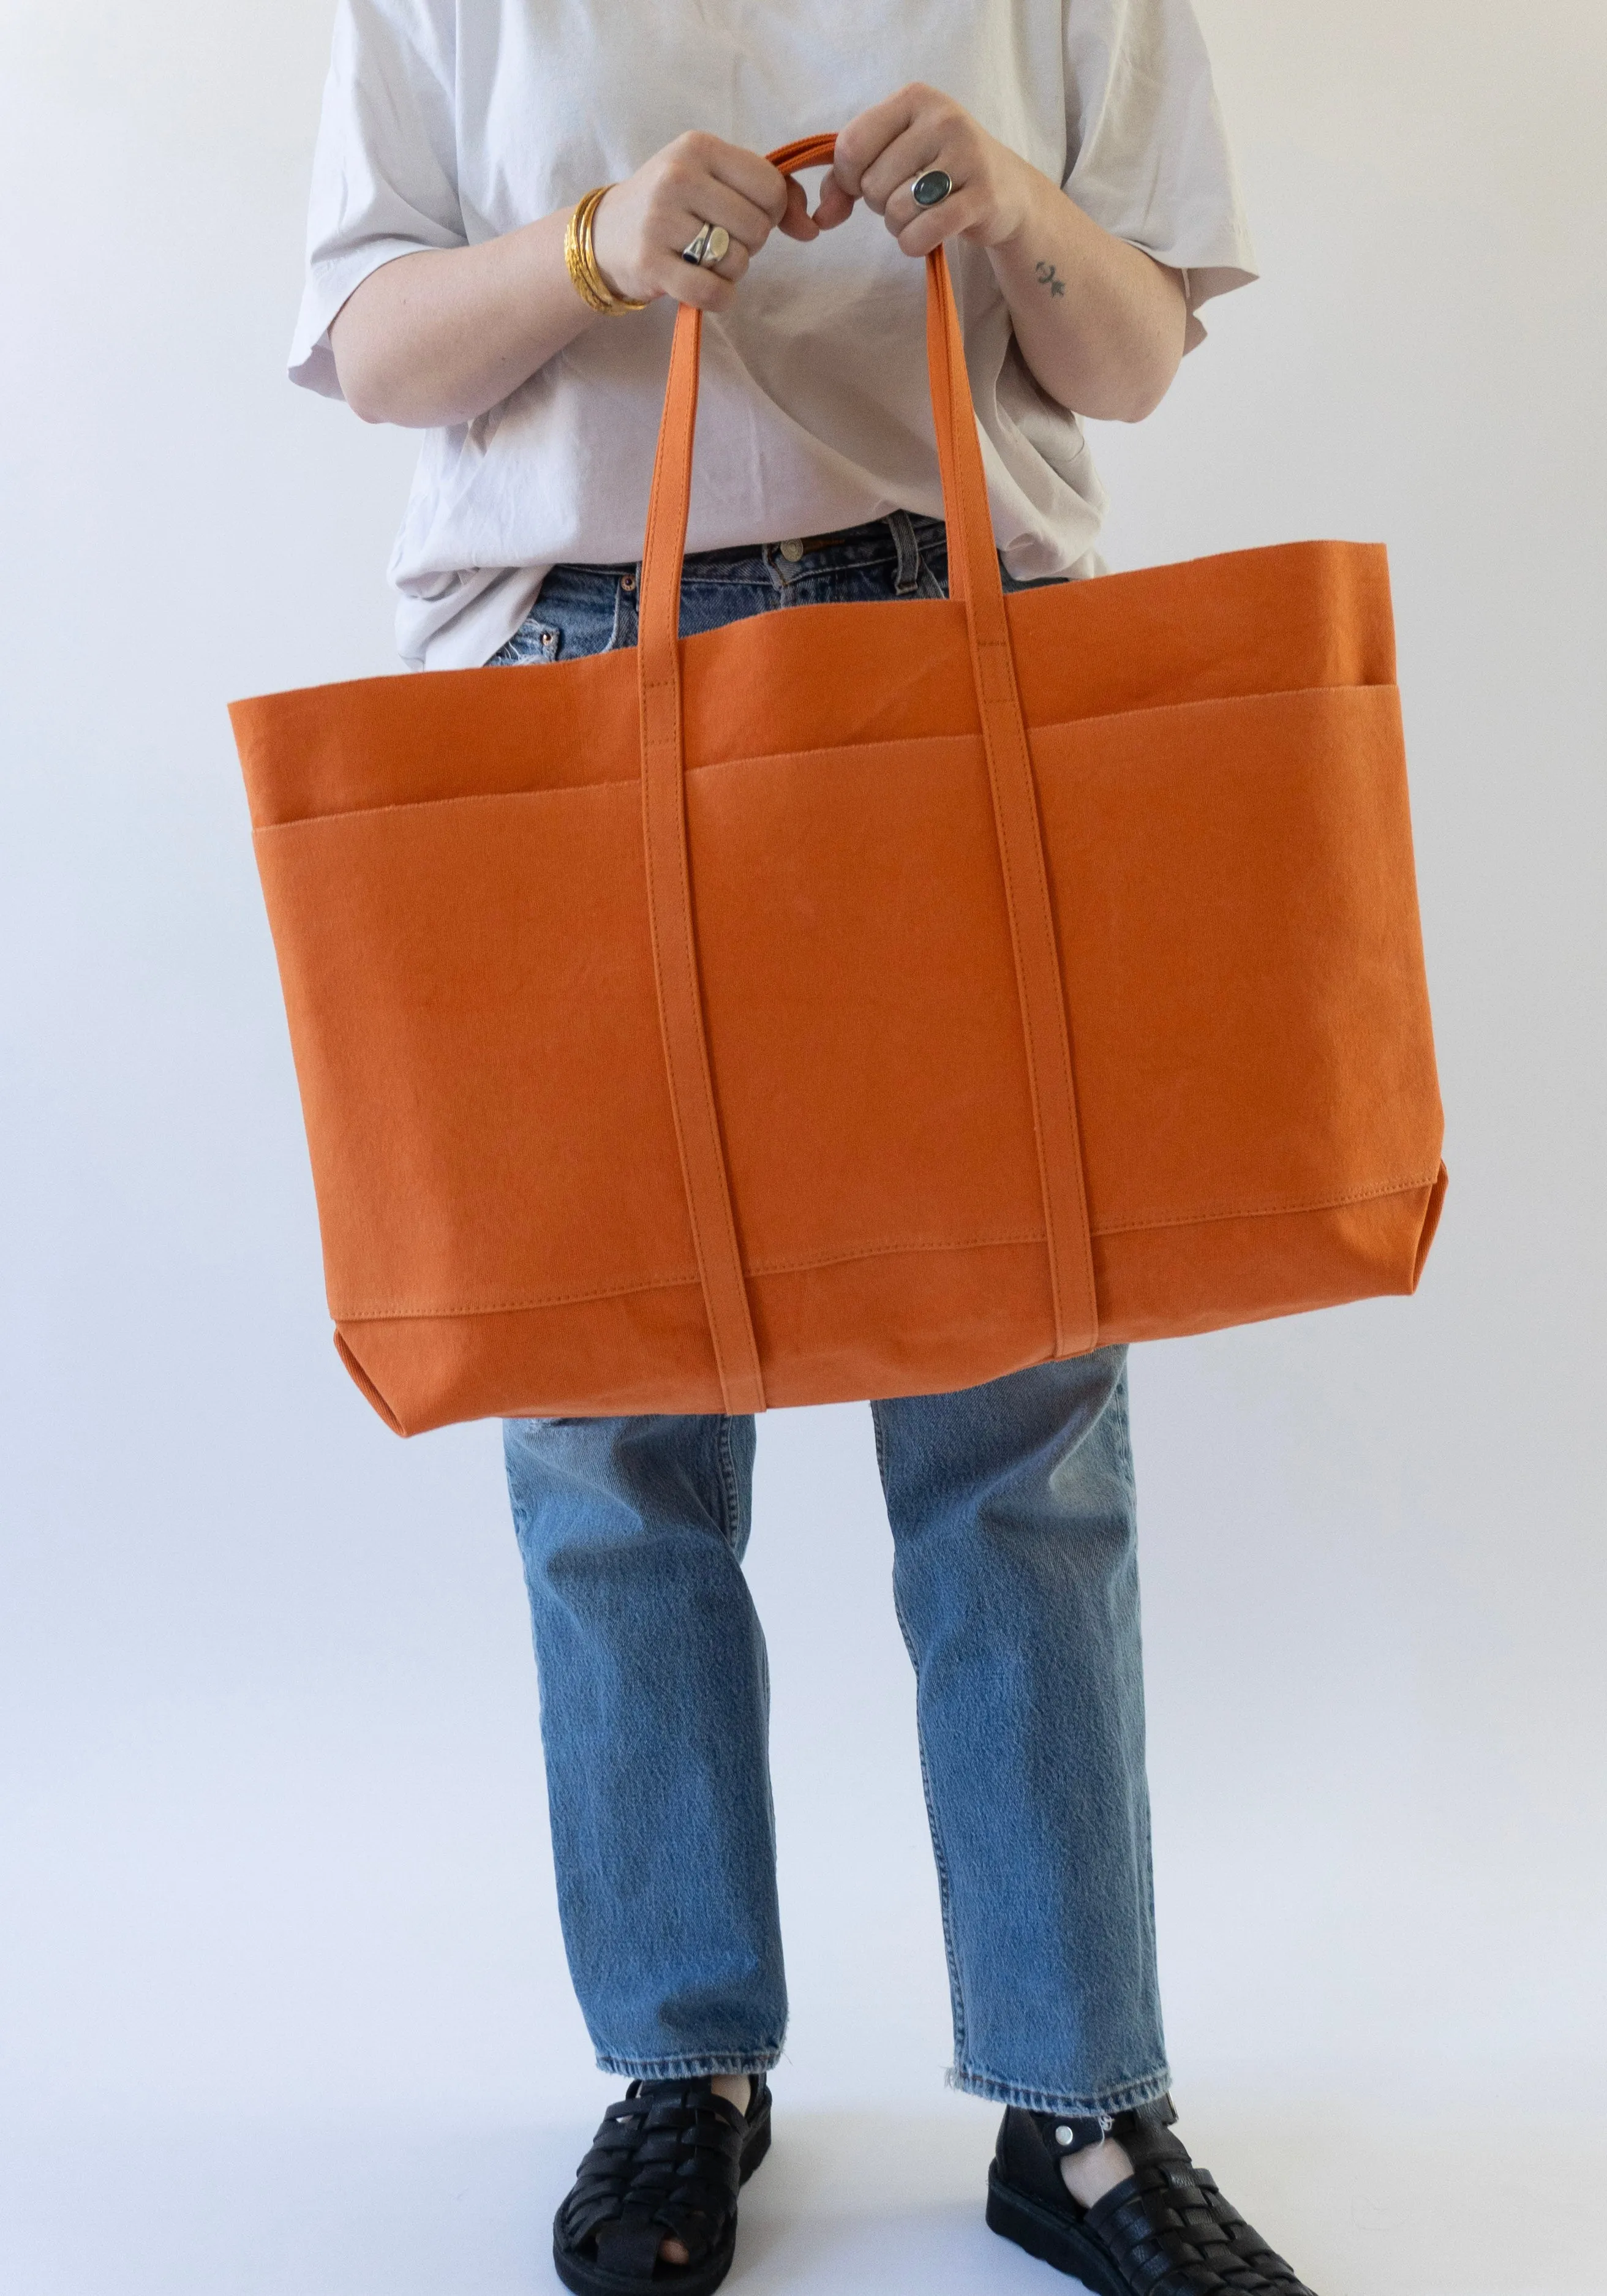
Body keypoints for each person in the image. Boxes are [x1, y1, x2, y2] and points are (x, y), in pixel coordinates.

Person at [288, 5, 1311, 2291]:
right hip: (565, 668)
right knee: (610, 1433)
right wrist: (589, 247)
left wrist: (1019, 213)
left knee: (1022, 1419)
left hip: (963, 642)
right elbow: (368, 344)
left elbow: (1131, 360)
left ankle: (1081, 2106)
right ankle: (685, 2067)